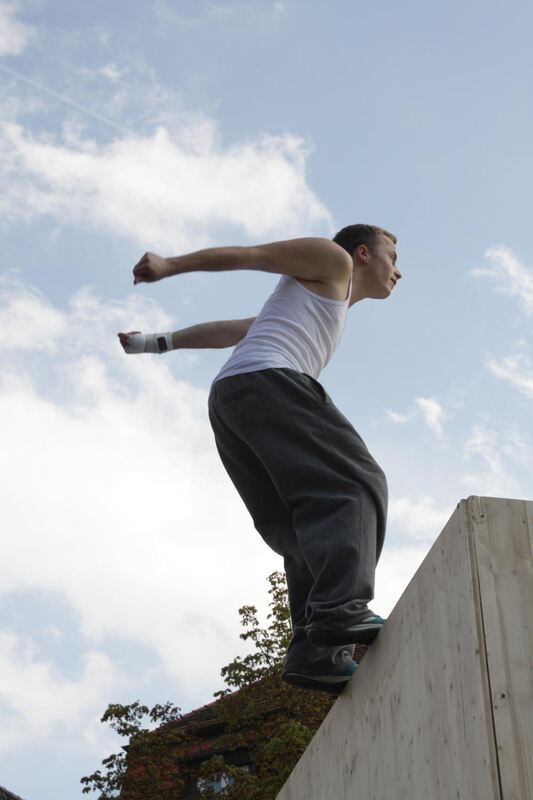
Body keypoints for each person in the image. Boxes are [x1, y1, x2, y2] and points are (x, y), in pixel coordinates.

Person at [118, 224, 402, 694]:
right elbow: (250, 255)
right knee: (355, 482)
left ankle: (314, 651)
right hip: (271, 383)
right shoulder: (332, 261)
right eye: (393, 256)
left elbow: (232, 330)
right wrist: (170, 265)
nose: (400, 270)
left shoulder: (310, 303)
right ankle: (338, 612)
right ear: (364, 253)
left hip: (233, 401)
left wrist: (155, 342)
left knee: (299, 527)